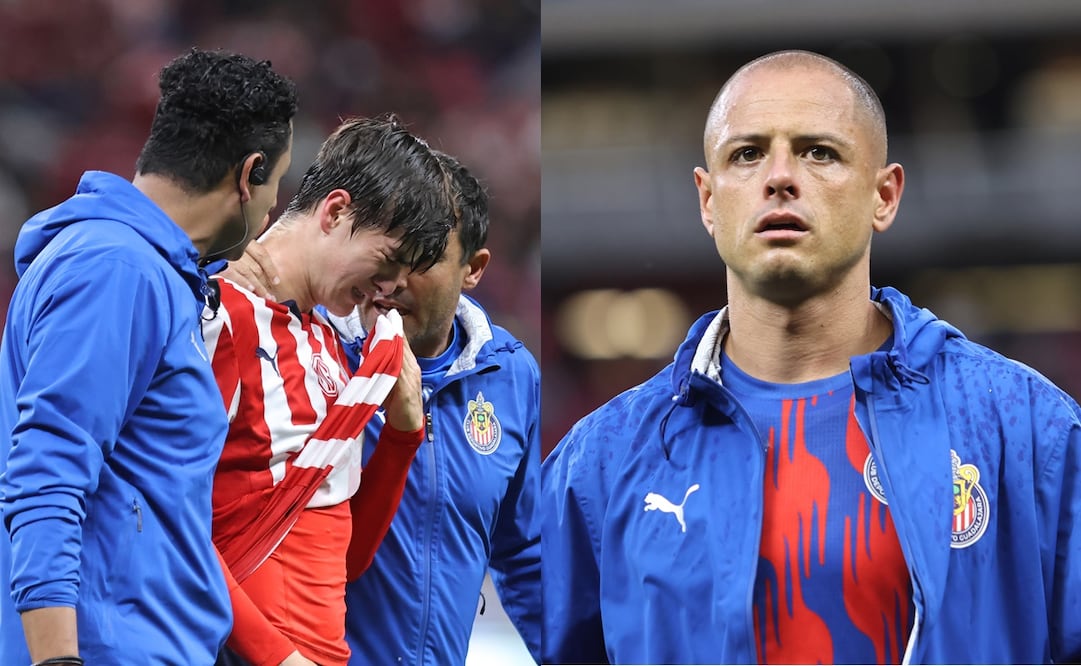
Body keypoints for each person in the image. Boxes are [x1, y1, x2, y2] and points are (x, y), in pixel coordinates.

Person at [541, 49, 1081, 665]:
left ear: (885, 194)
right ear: (708, 201)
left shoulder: (1025, 428)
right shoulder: (601, 465)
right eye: (747, 154)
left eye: (818, 152)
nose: (779, 177)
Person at [0, 48, 296, 665]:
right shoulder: (117, 270)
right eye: (277, 185)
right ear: (249, 174)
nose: (273, 211)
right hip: (110, 649)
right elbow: (46, 473)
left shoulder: (151, 272)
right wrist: (56, 661)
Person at [226, 147, 541, 665]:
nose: (393, 284)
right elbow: (191, 519)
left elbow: (525, 554)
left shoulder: (512, 375)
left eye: (422, 260)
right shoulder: (312, 344)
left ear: (473, 268)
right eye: (392, 256)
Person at [204, 116, 453, 666]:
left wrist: (403, 434)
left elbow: (346, 558)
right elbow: (175, 518)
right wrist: (277, 657)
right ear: (335, 212)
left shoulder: (328, 347)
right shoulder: (220, 313)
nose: (388, 292)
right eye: (387, 263)